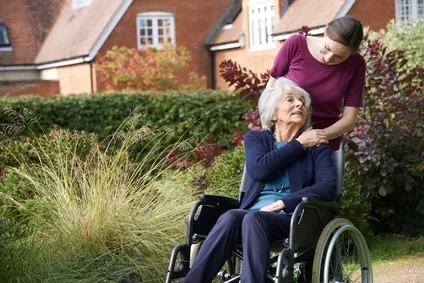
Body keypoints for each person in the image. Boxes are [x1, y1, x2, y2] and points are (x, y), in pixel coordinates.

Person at [182, 77, 337, 283]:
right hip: (250, 216)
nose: (299, 104)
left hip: (293, 219)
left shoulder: (317, 148)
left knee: (252, 218)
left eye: (302, 102)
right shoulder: (257, 139)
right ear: (273, 113)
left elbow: (328, 188)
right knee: (231, 217)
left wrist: (285, 202)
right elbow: (260, 169)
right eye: (290, 100)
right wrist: (299, 144)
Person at [267, 15, 366, 151]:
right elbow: (269, 93)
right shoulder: (296, 43)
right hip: (284, 140)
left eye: (339, 57)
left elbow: (349, 119)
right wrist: (267, 133)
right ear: (325, 32)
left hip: (323, 144)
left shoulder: (356, 64)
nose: (328, 58)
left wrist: (315, 137)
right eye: (327, 48)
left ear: (352, 54)